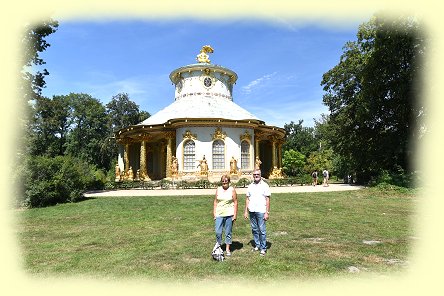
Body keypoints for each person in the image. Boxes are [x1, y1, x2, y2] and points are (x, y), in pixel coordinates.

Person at [244, 169, 270, 256]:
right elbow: (247, 199)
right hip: (252, 210)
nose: (256, 176)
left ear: (260, 174)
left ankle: (263, 248)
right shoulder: (250, 186)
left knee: (262, 230)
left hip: (261, 210)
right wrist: (245, 211)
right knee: (254, 229)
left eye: (257, 174)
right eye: (254, 174)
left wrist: (267, 212)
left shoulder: (265, 185)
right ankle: (257, 245)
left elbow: (267, 199)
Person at [213, 174, 238, 256]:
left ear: (229, 181)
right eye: (223, 181)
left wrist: (235, 215)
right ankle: (219, 246)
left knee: (228, 232)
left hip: (229, 214)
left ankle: (227, 249)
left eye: (226, 181)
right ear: (221, 182)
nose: (224, 182)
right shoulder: (218, 189)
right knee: (218, 232)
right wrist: (214, 213)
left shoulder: (232, 190)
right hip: (219, 213)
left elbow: (235, 202)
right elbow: (215, 201)